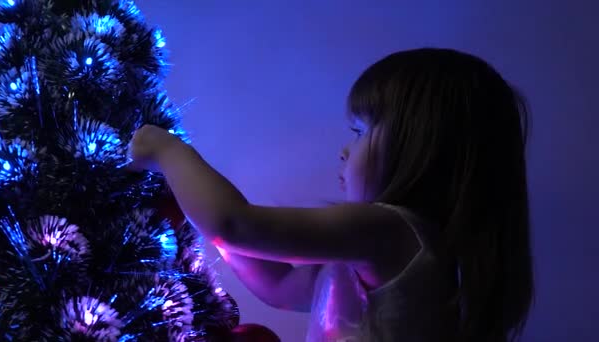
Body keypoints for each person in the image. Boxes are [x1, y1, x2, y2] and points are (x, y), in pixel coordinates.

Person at [128, 48, 534, 342]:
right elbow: (279, 286)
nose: (344, 149)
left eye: (358, 132)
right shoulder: (367, 254)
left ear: (421, 148)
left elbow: (236, 223)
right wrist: (199, 210)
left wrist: (169, 151)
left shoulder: (389, 230)